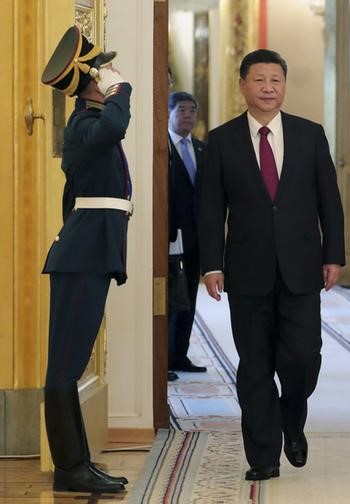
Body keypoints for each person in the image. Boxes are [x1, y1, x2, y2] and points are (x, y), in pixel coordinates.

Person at [197, 49, 345, 481]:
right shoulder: (221, 140)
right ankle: (263, 454)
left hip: (302, 267)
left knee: (302, 358)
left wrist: (333, 253)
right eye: (258, 80)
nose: (267, 88)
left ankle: (291, 420)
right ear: (242, 85)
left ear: (284, 85)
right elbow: (210, 209)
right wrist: (211, 264)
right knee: (256, 362)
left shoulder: (309, 134)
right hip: (247, 270)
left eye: (275, 80)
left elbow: (329, 202)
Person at [40, 26, 131, 493]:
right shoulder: (87, 125)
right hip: (81, 258)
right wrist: (123, 90)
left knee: (69, 366)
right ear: (93, 79)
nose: (115, 73)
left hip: (86, 254)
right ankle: (70, 467)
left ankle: (75, 462)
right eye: (106, 68)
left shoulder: (88, 125)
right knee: (64, 367)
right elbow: (117, 124)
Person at [167, 92, 207, 380]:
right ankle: (164, 356)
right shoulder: (161, 148)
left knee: (190, 296)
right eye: (182, 110)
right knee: (170, 298)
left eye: (192, 111)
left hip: (196, 237)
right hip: (169, 236)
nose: (188, 116)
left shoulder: (203, 149)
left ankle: (180, 354)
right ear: (169, 113)